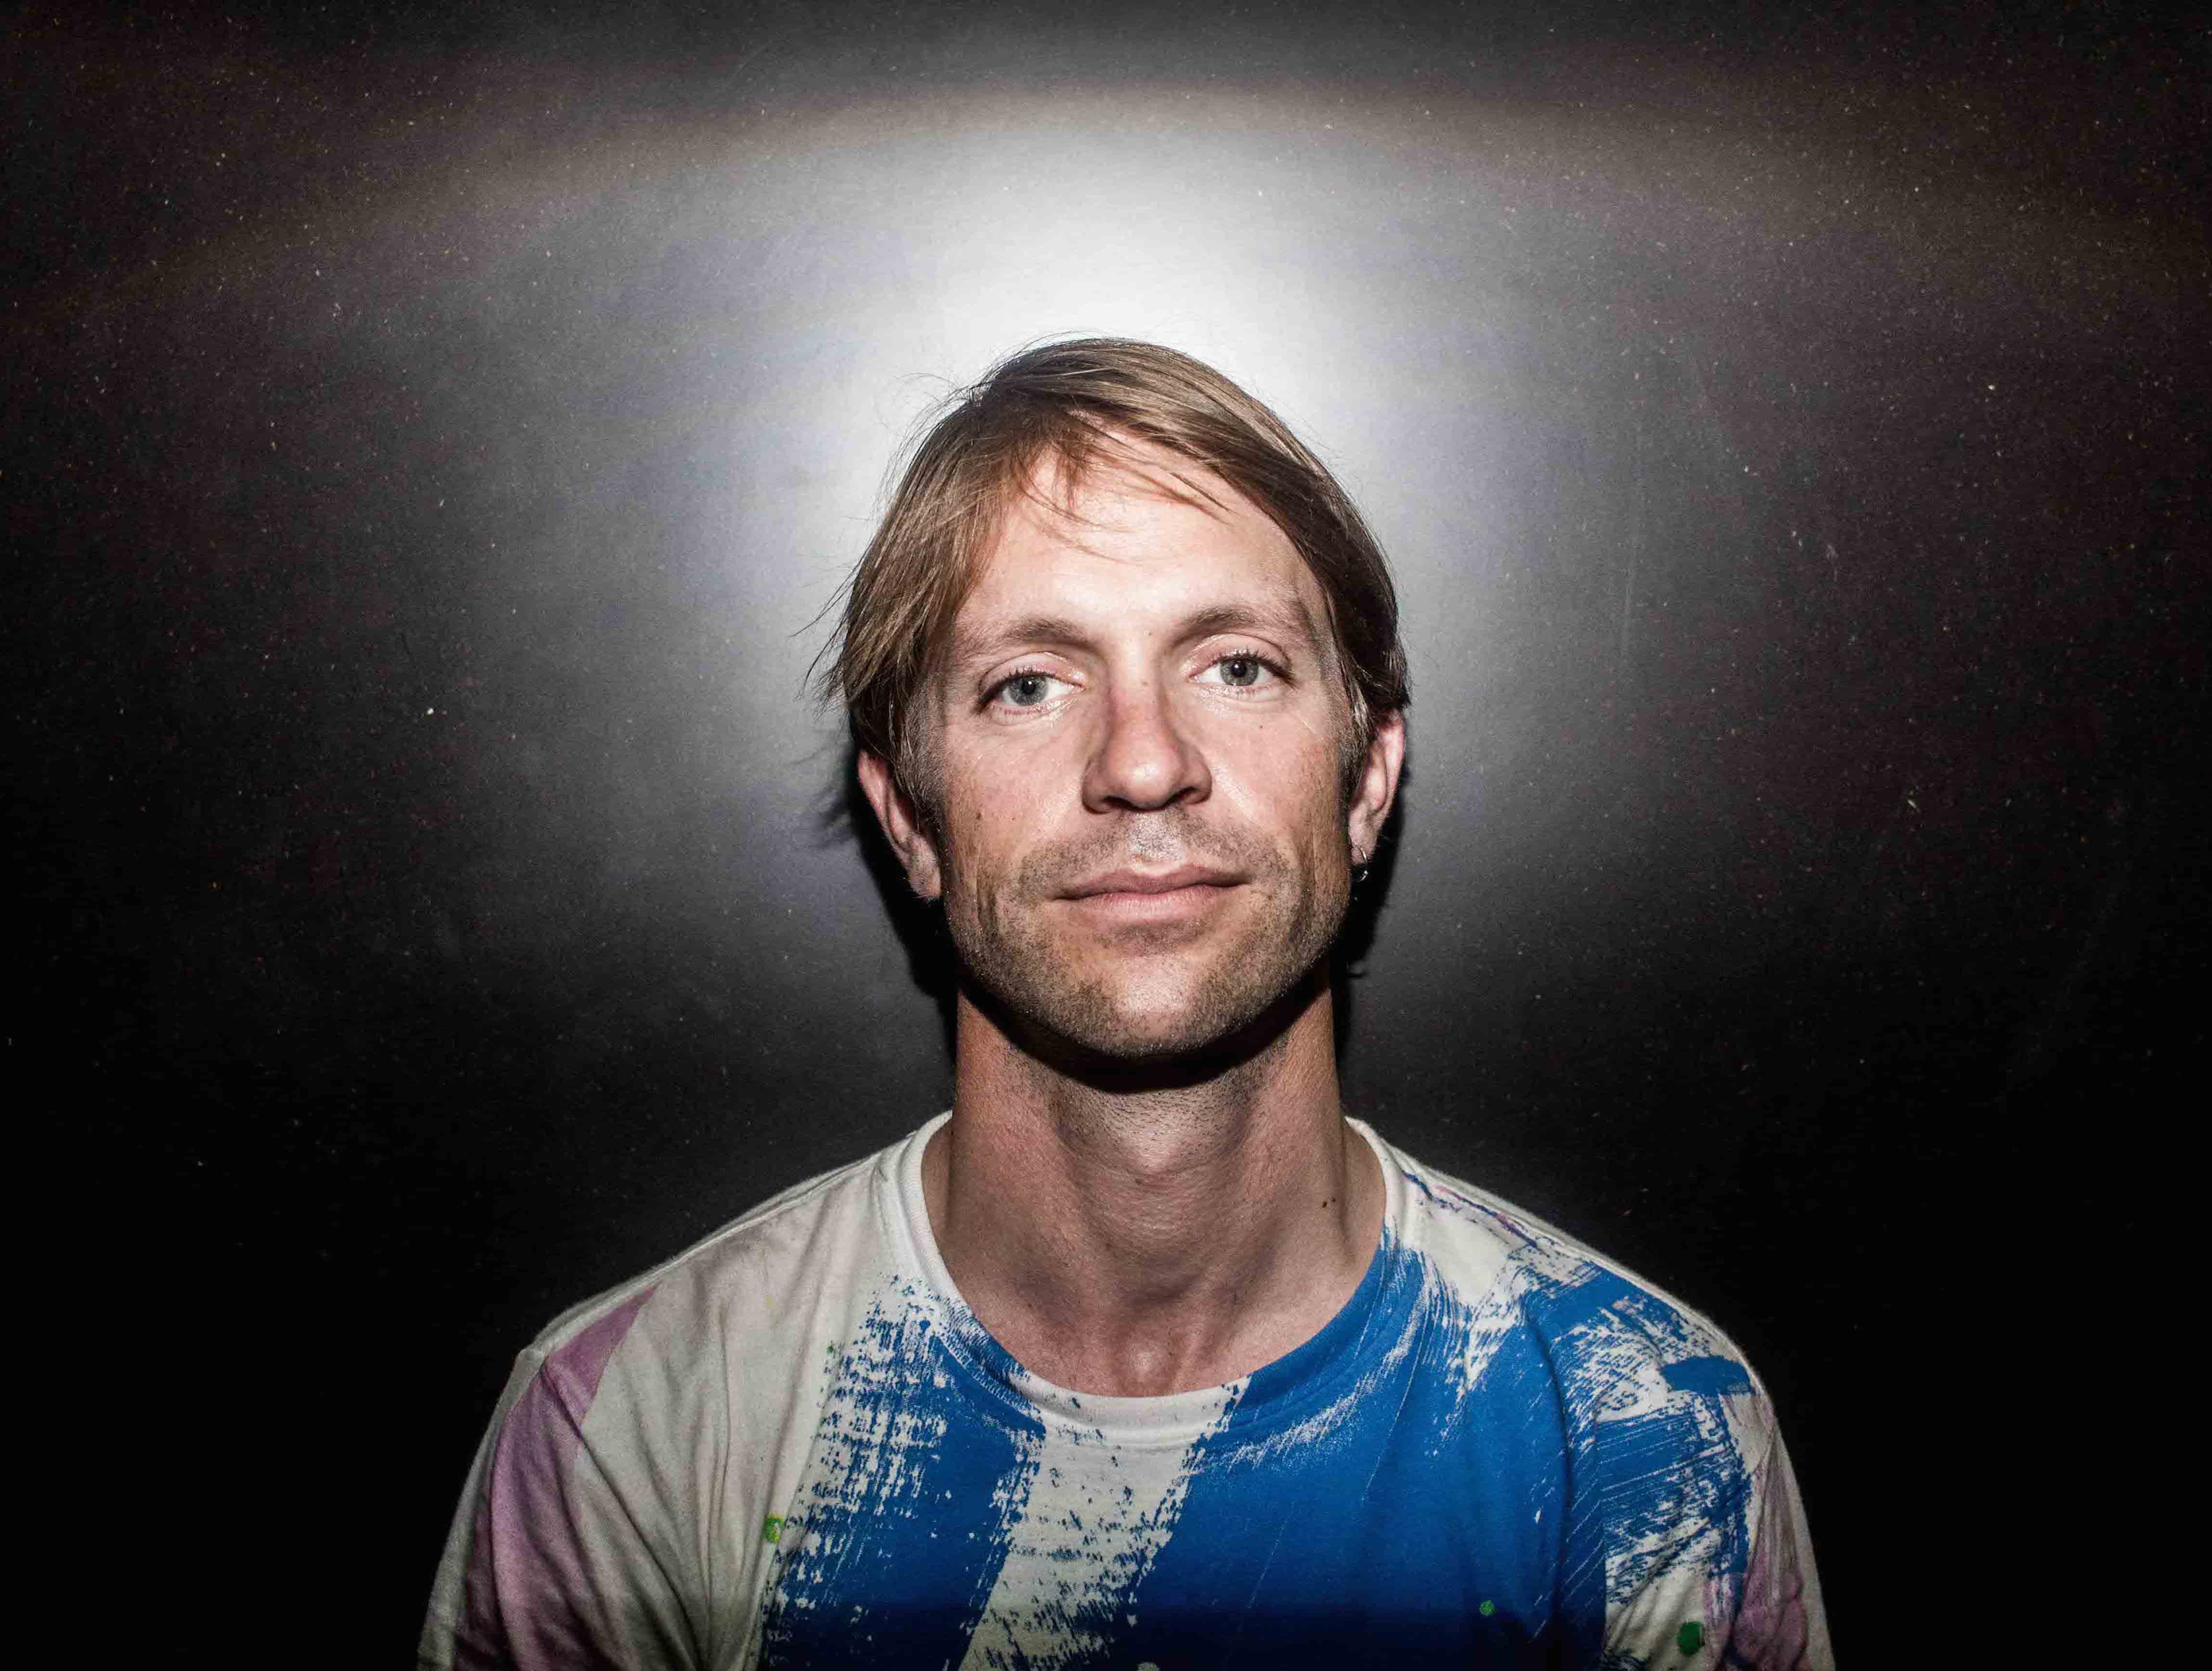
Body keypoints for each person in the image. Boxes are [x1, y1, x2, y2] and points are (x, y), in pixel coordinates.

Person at [419, 339, 1831, 1670]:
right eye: (1030, 684)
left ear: (1367, 780)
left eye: (1237, 667)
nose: (1144, 764)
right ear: (910, 817)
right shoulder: (639, 1424)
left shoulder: (1643, 1431)